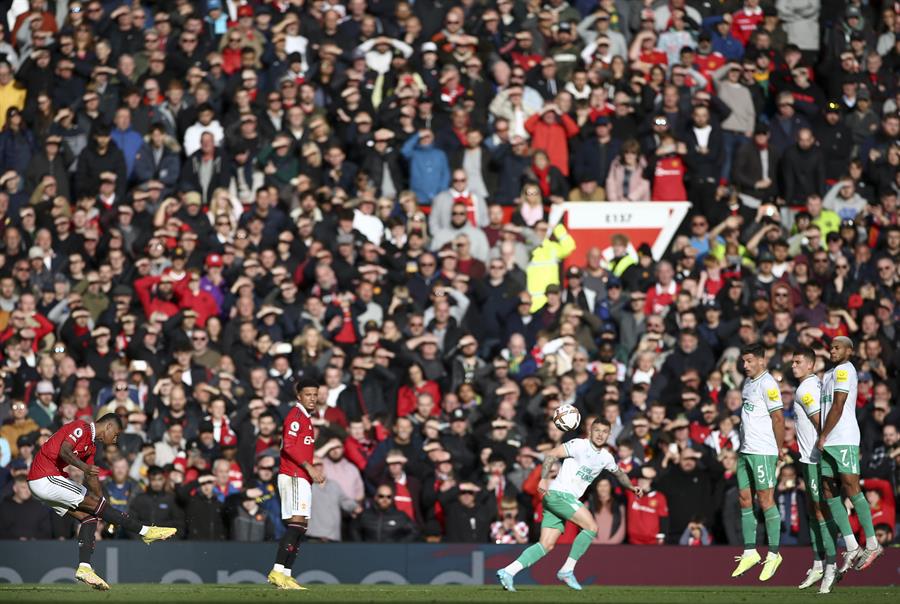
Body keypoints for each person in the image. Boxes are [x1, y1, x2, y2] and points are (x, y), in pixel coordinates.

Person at [25, 414, 176, 590]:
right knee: (97, 508)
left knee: (90, 518)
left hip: (46, 481)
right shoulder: (81, 428)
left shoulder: (92, 447)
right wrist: (84, 468)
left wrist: (104, 505)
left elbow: (92, 477)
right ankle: (145, 531)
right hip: (44, 477)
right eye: (116, 434)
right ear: (109, 426)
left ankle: (85, 568)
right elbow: (64, 451)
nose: (116, 439)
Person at [496, 419, 643, 592]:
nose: (600, 434)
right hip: (559, 494)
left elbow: (619, 474)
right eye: (597, 430)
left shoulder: (606, 457)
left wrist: (632, 487)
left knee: (546, 545)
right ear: (590, 431)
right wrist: (543, 479)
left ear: (609, 435)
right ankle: (567, 570)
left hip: (560, 499)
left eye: (604, 431)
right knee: (591, 527)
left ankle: (508, 571)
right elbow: (552, 454)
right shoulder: (579, 445)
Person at [818, 336, 883, 574]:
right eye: (831, 348)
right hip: (827, 440)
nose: (833, 351)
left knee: (851, 486)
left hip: (843, 437)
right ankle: (852, 545)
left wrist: (823, 435)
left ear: (849, 350)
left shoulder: (845, 371)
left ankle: (873, 543)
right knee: (828, 489)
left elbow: (839, 404)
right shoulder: (828, 375)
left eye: (838, 347)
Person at [731, 343, 785, 581]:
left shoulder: (768, 383)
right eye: (744, 361)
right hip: (745, 451)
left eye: (750, 361)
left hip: (763, 451)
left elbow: (778, 418)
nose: (745, 365)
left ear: (762, 361)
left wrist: (779, 449)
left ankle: (773, 553)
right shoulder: (748, 383)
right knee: (744, 498)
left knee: (765, 500)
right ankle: (750, 551)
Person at [266, 377, 326, 590]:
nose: (312, 398)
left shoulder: (306, 418)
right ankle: (277, 571)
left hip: (302, 477)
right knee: (296, 523)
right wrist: (309, 467)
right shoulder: (296, 415)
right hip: (293, 475)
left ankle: (287, 575)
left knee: (301, 526)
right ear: (299, 396)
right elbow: (288, 446)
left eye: (315, 395)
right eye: (308, 394)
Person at [791, 347, 838, 594]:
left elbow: (819, 421)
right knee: (813, 509)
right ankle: (818, 563)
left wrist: (824, 454)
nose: (793, 366)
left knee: (820, 511)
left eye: (798, 362)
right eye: (792, 362)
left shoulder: (805, 389)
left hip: (814, 458)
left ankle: (831, 564)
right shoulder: (816, 385)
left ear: (811, 365)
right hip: (809, 456)